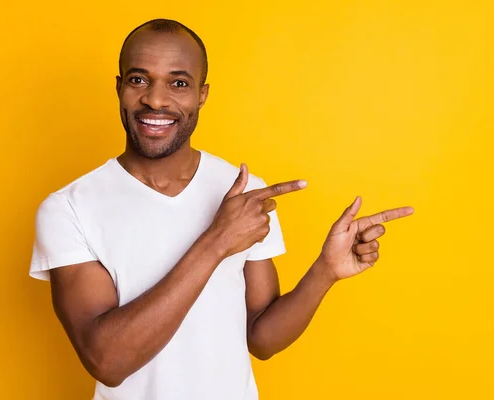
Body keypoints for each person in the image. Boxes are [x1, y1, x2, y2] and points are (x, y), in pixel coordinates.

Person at [29, 18, 414, 400]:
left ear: (202, 94)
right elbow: (107, 362)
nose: (156, 99)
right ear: (119, 88)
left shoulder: (246, 194)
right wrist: (218, 240)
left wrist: (325, 272)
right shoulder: (68, 208)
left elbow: (262, 339)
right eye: (138, 80)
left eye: (179, 83)